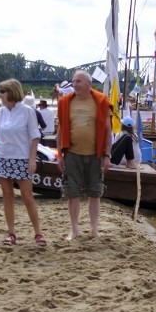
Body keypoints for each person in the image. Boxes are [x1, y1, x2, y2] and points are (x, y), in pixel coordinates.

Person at [0, 79, 47, 247]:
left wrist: (32, 158)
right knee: (8, 196)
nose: (0, 95)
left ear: (11, 93)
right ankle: (11, 233)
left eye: (3, 92)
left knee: (28, 197)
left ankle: (38, 233)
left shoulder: (28, 111)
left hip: (21, 158)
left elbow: (35, 136)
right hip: (2, 157)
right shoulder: (1, 112)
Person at [56, 69, 112, 240]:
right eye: (73, 81)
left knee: (95, 193)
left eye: (78, 81)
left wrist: (107, 155)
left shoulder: (101, 101)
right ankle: (74, 230)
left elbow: (108, 131)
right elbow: (60, 130)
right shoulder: (65, 102)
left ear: (89, 84)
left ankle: (94, 229)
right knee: (72, 193)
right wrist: (59, 155)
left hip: (95, 155)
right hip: (72, 154)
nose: (74, 84)